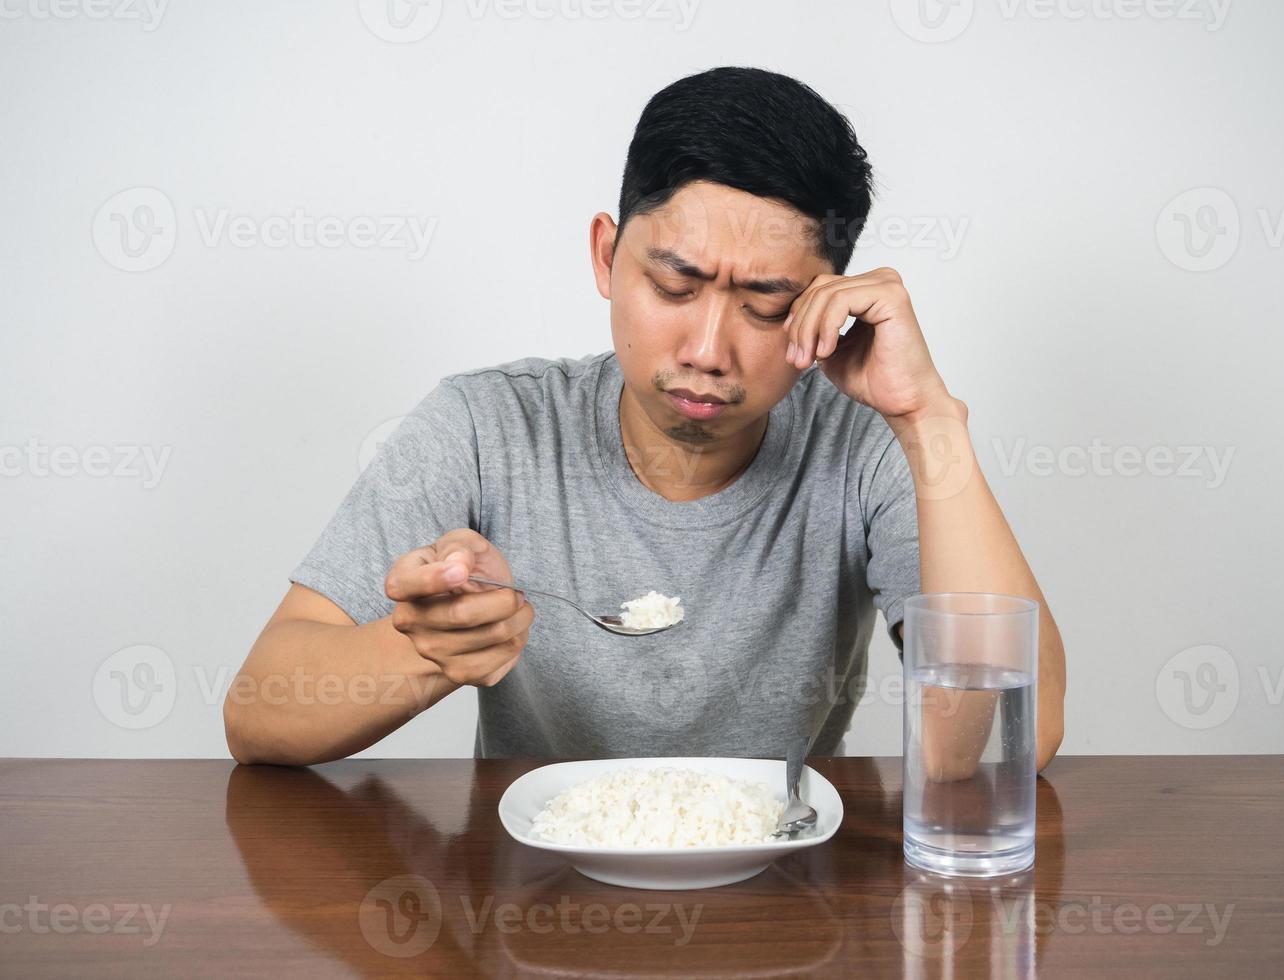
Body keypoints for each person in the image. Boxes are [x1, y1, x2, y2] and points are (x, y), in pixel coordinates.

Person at [224, 66, 1066, 768]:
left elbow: (1002, 744)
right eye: (673, 286)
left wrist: (928, 420)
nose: (706, 348)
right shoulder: (486, 426)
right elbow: (258, 712)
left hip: (788, 900)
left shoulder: (866, 445)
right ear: (605, 254)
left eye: (765, 306)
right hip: (536, 904)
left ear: (827, 308)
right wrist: (427, 647)